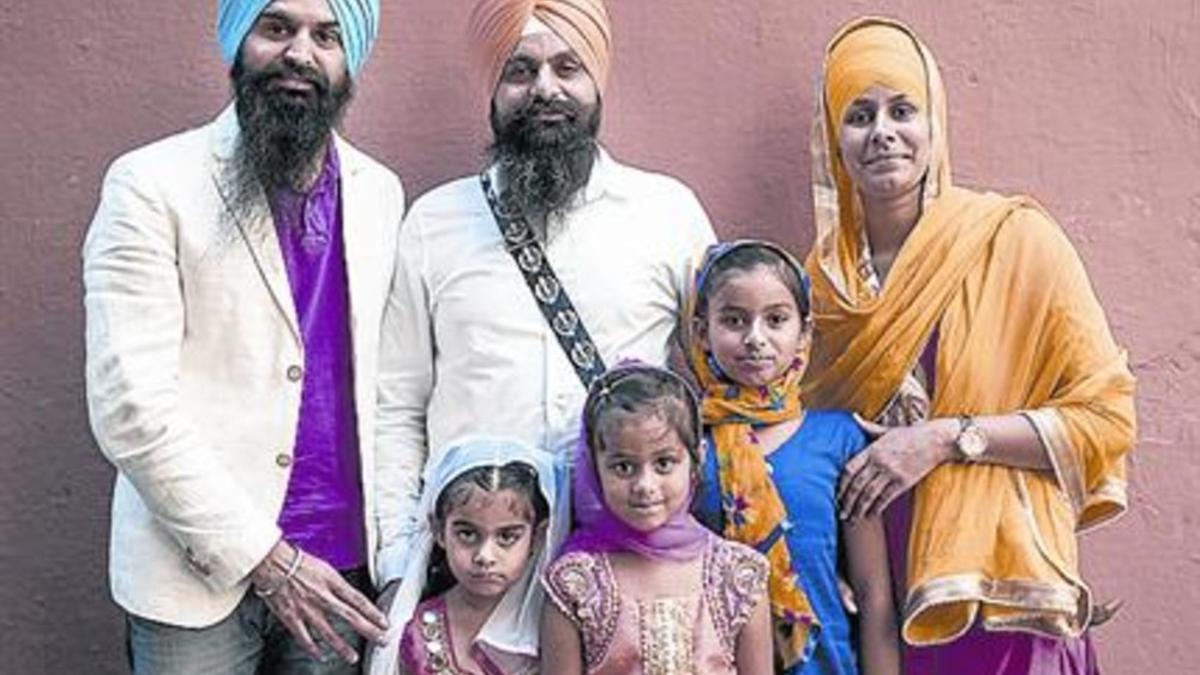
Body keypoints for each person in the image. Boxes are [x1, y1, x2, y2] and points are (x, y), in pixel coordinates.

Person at [801, 16, 1137, 674]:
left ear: (935, 124)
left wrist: (944, 437)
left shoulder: (1014, 242)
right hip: (881, 606)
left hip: (1005, 599)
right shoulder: (817, 289)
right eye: (859, 115)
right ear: (833, 140)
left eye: (903, 110)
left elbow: (1107, 419)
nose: (884, 133)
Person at [82, 0, 402, 671]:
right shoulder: (150, 185)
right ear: (237, 42)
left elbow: (388, 390)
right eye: (276, 28)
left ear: (351, 62)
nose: (300, 54)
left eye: (327, 36)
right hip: (193, 574)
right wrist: (268, 559)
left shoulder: (380, 193)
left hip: (341, 569)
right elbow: (130, 408)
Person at [375, 0, 715, 602]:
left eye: (568, 68)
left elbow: (720, 389)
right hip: (471, 574)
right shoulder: (434, 222)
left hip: (629, 570)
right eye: (520, 71)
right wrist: (400, 563)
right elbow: (397, 407)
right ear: (493, 90)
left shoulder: (668, 214)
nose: (545, 89)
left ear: (597, 83)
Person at [688, 240, 899, 675]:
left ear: (804, 332)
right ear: (701, 331)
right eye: (733, 320)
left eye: (776, 320)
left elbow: (873, 592)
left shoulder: (839, 439)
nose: (755, 338)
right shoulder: (685, 446)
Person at [540, 364, 774, 674]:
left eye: (664, 463)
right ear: (594, 467)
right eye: (623, 467)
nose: (645, 486)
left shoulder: (738, 576)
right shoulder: (575, 581)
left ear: (697, 459)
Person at [367, 437, 566, 675]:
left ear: (537, 536)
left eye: (507, 537)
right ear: (439, 530)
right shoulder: (416, 631)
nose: (485, 556)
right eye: (468, 534)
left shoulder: (556, 627)